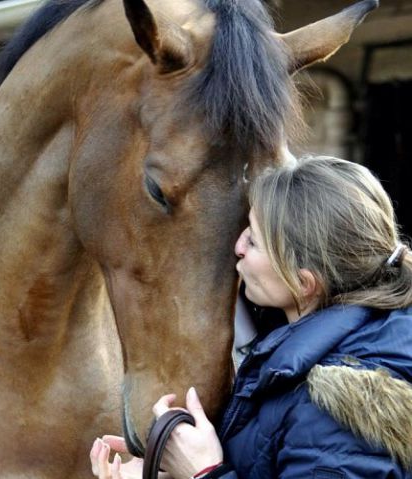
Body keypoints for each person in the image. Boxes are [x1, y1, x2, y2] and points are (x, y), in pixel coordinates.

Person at [91, 156, 412, 478]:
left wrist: (203, 472)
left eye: (254, 240)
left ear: (303, 283)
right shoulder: (324, 352)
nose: (238, 246)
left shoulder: (335, 409)